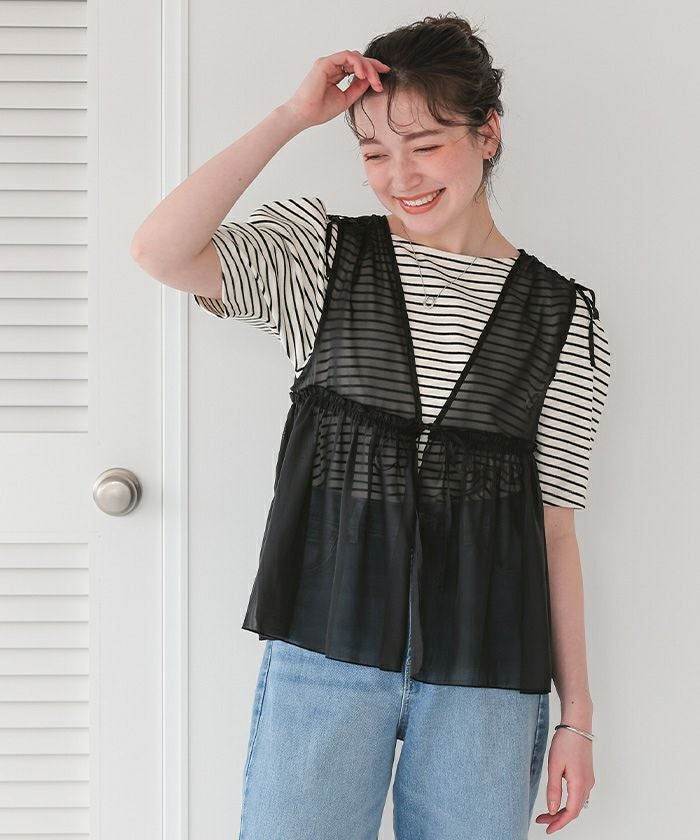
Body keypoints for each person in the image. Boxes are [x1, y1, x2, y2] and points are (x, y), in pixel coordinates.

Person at [132, 13, 611, 839]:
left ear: (488, 133)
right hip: (325, 648)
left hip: (488, 672)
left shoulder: (563, 318)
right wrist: (291, 116)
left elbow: (554, 530)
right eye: (374, 152)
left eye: (425, 145)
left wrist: (579, 717)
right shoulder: (321, 260)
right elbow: (159, 251)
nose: (400, 177)